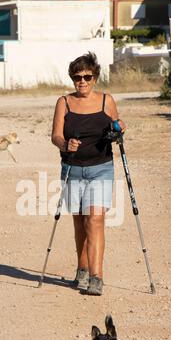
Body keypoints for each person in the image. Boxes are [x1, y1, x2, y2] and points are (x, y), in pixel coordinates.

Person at [51, 52, 126, 296]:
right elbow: (56, 135)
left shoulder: (107, 101)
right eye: (77, 77)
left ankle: (96, 277)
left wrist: (120, 127)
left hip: (101, 168)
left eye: (87, 77)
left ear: (95, 77)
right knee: (80, 222)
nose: (82, 81)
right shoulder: (64, 102)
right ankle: (81, 269)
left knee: (95, 220)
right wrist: (65, 145)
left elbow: (117, 126)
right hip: (72, 168)